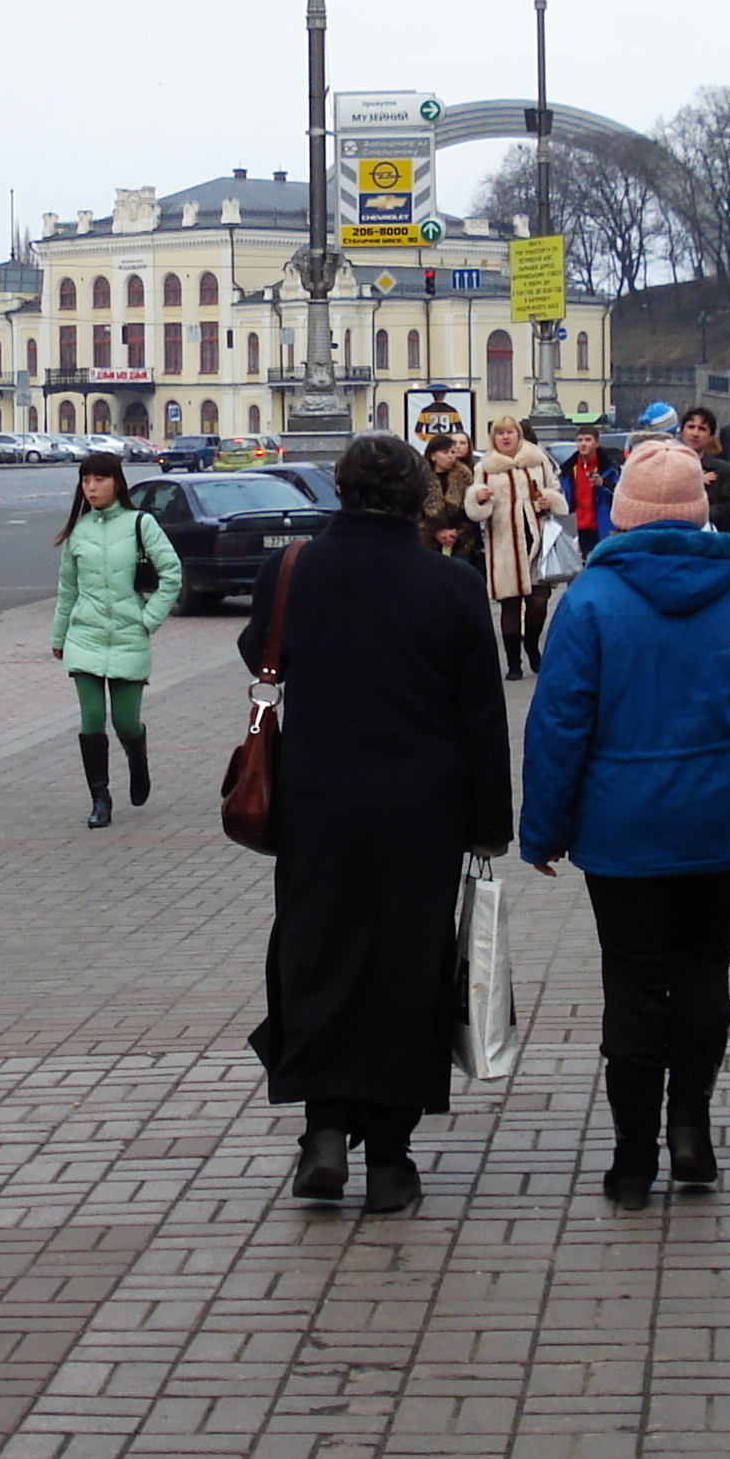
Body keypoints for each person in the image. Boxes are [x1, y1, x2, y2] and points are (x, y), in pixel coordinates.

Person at [245, 435, 513, 1217]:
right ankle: (392, 1157)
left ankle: (325, 1127)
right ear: (419, 497)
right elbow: (481, 718)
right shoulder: (453, 587)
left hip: (318, 799)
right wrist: (489, 824)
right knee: (406, 963)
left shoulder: (292, 572)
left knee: (317, 952)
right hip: (421, 806)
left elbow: (259, 653)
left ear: (340, 489)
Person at [519, 443, 730, 1207]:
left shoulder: (593, 600)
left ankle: (633, 1162)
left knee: (633, 984)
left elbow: (560, 724)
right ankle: (691, 1129)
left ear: (624, 513)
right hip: (714, 813)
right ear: (698, 509)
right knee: (705, 969)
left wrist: (544, 830)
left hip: (622, 822)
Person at [49, 451, 181, 828]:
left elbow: (171, 573)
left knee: (126, 722)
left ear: (117, 483)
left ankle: (138, 762)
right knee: (92, 719)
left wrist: (148, 619)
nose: (92, 487)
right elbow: (67, 590)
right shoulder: (79, 531)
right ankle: (100, 798)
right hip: (85, 636)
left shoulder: (141, 524)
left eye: (100, 479)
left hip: (128, 636)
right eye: (86, 480)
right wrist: (59, 637)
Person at [467, 415, 572, 678]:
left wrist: (550, 500)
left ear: (519, 434)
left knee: (538, 600)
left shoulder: (538, 460)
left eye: (510, 432)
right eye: (500, 434)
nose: (505, 438)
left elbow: (556, 491)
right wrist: (479, 499)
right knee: (510, 604)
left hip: (538, 539)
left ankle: (532, 645)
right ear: (494, 439)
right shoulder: (486, 468)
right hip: (505, 543)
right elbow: (474, 507)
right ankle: (514, 662)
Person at [677, 406, 730, 535]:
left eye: (702, 429)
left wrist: (700, 514)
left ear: (711, 437)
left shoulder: (725, 471)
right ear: (681, 431)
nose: (695, 433)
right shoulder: (665, 465)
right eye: (691, 427)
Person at [560, 424, 619, 556]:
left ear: (597, 443)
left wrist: (603, 483)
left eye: (588, 440)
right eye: (580, 440)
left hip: (602, 528)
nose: (583, 444)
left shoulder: (609, 469)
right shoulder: (568, 470)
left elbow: (621, 493)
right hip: (576, 529)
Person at [421, 431, 479, 567]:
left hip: (460, 544)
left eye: (452, 452)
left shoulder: (464, 477)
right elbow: (416, 513)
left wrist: (456, 533)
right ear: (433, 456)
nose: (450, 457)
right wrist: (435, 532)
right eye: (445, 453)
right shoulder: (421, 479)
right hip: (428, 544)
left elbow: (470, 513)